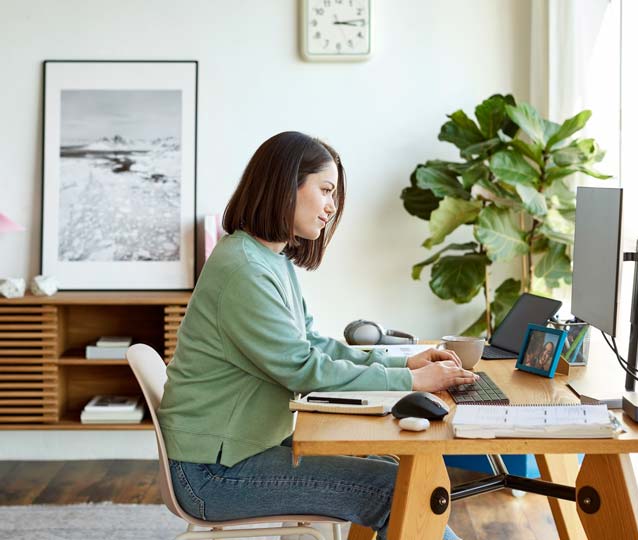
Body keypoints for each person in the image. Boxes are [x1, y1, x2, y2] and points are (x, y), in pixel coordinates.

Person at [157, 131, 476, 540]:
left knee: (399, 474)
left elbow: (313, 346)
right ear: (286, 185)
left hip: (236, 453)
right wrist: (410, 382)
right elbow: (303, 370)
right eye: (325, 191)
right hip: (211, 474)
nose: (330, 208)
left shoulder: (268, 260)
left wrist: (403, 363)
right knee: (399, 490)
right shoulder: (244, 271)